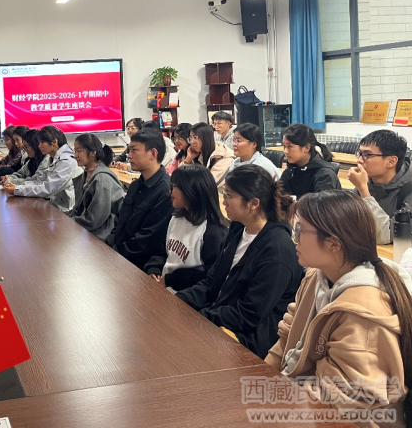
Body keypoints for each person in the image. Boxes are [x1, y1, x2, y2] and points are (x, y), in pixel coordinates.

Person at [266, 190, 412, 422]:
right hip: (304, 401)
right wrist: (262, 377)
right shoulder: (317, 276)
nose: (294, 237)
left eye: (300, 230)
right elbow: (288, 335)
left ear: (333, 243)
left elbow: (340, 400)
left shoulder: (364, 312)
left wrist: (267, 403)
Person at [177, 165, 303, 358]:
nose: (224, 201)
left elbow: (249, 314)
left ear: (253, 203)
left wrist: (200, 317)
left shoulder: (278, 251)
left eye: (228, 195)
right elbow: (212, 282)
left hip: (247, 341)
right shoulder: (238, 228)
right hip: (219, 318)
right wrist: (179, 300)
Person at [144, 164, 227, 292]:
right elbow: (164, 251)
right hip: (163, 288)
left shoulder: (212, 232)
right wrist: (154, 268)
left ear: (192, 190)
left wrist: (172, 279)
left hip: (185, 296)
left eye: (175, 186)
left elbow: (210, 277)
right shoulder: (176, 218)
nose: (171, 190)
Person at [105, 129, 173, 269]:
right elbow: (119, 221)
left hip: (139, 265)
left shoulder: (166, 191)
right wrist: (109, 246)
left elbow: (149, 239)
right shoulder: (136, 185)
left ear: (153, 154)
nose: (129, 156)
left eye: (134, 150)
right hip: (117, 255)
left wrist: (114, 253)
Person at [347, 130, 412, 245]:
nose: (359, 160)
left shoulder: (409, 188)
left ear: (391, 161)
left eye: (367, 155)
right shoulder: (367, 180)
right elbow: (345, 221)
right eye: (360, 153)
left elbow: (386, 235)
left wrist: (363, 190)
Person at [4, 125, 79, 213]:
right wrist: (17, 187)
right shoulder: (53, 158)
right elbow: (39, 181)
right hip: (54, 205)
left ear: (54, 141)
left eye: (42, 142)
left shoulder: (67, 161)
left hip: (66, 212)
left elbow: (48, 189)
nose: (39, 146)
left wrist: (17, 190)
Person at [69, 133, 125, 240]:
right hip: (90, 228)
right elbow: (78, 208)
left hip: (104, 233)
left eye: (79, 151)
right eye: (75, 151)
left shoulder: (101, 179)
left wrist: (69, 222)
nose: (76, 155)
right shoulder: (86, 174)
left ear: (93, 153)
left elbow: (94, 220)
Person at [280, 124, 341, 199]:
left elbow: (321, 205)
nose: (285, 151)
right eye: (284, 146)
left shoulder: (325, 175)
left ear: (306, 148)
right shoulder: (290, 171)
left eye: (289, 146)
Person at [181, 123, 235, 191]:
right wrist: (188, 159)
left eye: (195, 137)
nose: (192, 142)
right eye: (190, 138)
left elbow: (209, 184)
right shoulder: (199, 154)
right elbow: (180, 177)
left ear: (205, 138)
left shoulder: (224, 157)